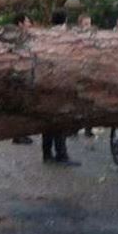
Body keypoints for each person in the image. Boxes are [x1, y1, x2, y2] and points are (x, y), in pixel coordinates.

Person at [42, 10, 80, 167]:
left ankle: (47, 154)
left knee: (48, 121)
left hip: (46, 81)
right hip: (60, 82)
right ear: (65, 20)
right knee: (60, 120)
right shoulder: (65, 36)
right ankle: (61, 154)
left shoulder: (45, 35)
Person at [11, 12, 35, 145]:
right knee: (21, 106)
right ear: (20, 24)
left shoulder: (24, 36)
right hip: (19, 76)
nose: (29, 24)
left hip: (23, 74)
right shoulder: (17, 38)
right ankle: (19, 135)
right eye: (27, 22)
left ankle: (21, 134)